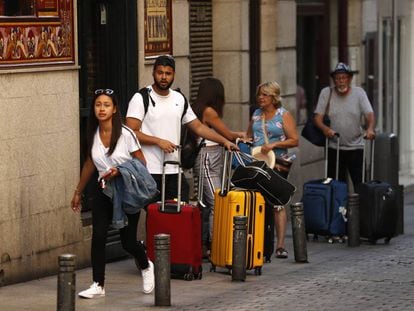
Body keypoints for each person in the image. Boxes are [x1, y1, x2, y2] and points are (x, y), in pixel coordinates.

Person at [71, 89, 155, 298]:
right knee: (98, 236)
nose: (102, 108)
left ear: (114, 108)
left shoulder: (126, 134)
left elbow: (141, 162)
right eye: (98, 104)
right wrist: (78, 192)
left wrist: (121, 171)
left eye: (106, 105)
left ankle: (146, 265)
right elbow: (90, 164)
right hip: (103, 191)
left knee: (127, 242)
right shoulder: (92, 134)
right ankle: (98, 284)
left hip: (126, 191)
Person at [125, 55, 238, 204]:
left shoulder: (179, 98)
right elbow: (131, 132)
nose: (163, 77)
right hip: (150, 170)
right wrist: (158, 141)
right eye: (160, 73)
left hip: (174, 170)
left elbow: (198, 127)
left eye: (168, 73)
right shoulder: (141, 98)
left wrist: (224, 141)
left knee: (178, 216)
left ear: (174, 75)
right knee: (157, 217)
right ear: (153, 73)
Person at [191, 77, 247, 258]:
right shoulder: (209, 112)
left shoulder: (201, 110)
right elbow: (226, 134)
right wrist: (240, 135)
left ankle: (205, 245)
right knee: (217, 202)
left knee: (208, 205)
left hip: (211, 157)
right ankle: (217, 245)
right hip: (207, 157)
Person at [247, 81, 299, 260]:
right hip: (258, 164)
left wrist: (275, 144)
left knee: (276, 203)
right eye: (259, 94)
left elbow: (294, 140)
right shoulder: (256, 115)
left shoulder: (283, 115)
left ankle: (280, 245)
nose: (260, 98)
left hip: (277, 163)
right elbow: (248, 136)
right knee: (260, 202)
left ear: (274, 97)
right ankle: (262, 241)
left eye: (265, 95)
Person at [314, 62, 375, 190]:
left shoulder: (359, 93)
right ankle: (340, 209)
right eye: (337, 78)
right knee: (336, 186)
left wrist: (370, 128)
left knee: (361, 184)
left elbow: (369, 114)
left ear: (350, 79)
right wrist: (326, 129)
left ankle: (362, 209)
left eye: (343, 78)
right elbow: (317, 119)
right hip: (334, 147)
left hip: (356, 146)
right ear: (333, 80)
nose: (340, 81)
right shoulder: (326, 93)